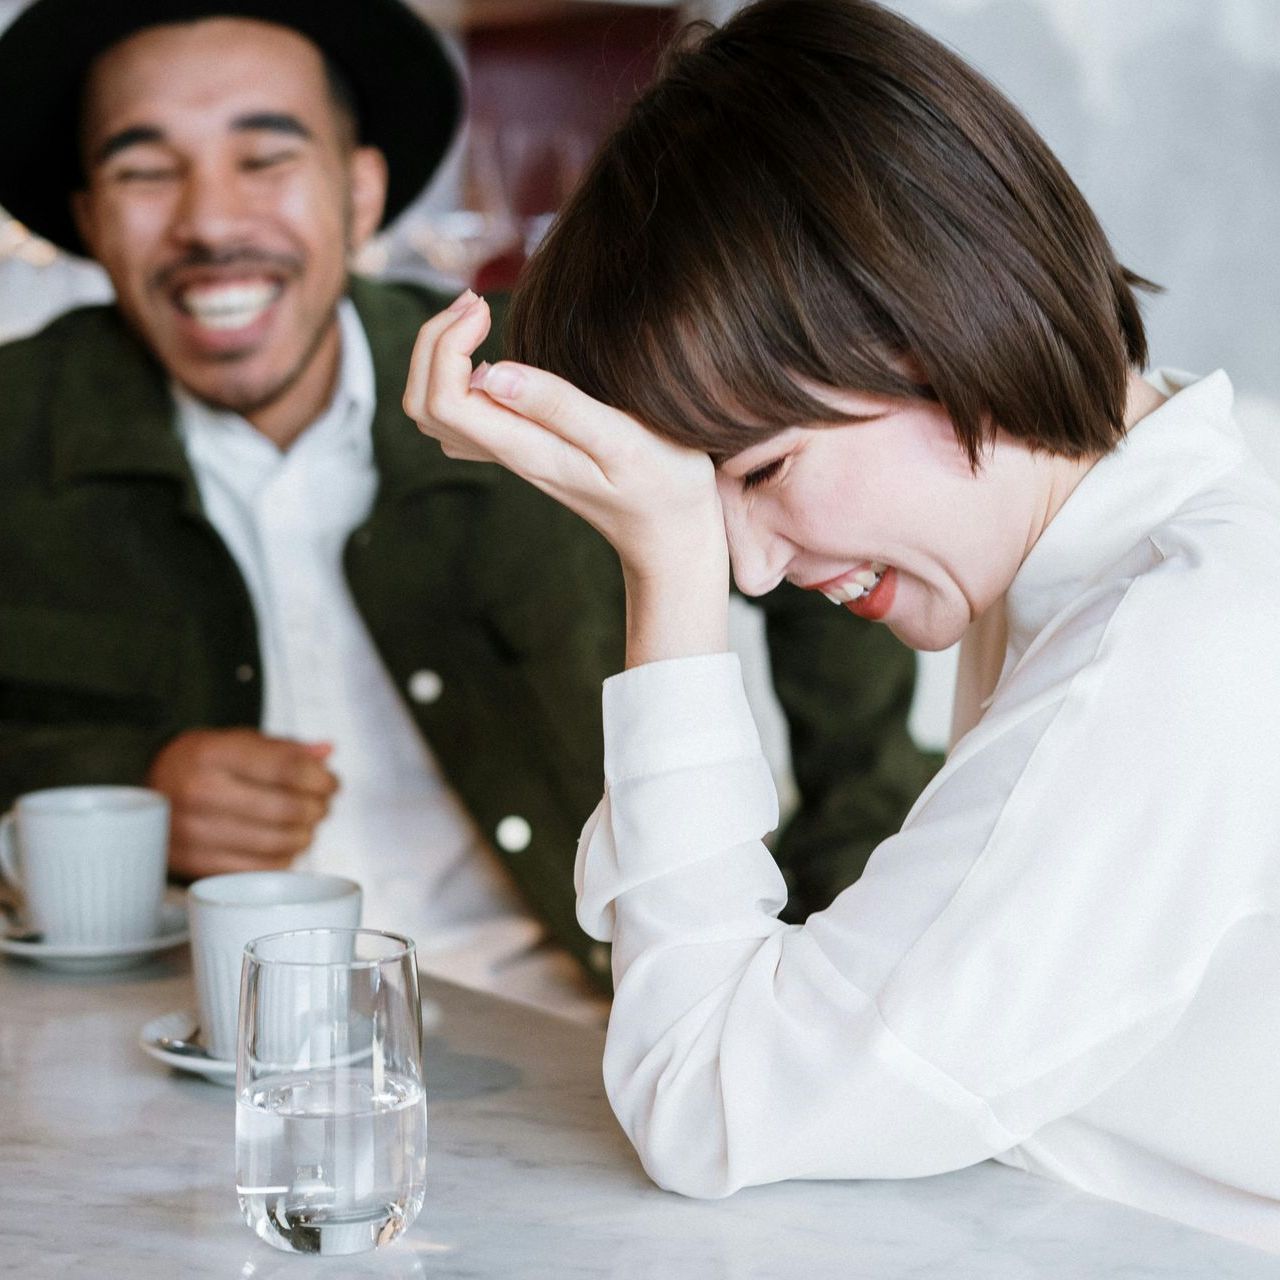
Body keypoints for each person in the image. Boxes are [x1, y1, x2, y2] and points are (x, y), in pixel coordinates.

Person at [405, 0, 1280, 1248]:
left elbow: (702, 1099)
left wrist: (665, 563)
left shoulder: (1170, 646)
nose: (749, 564)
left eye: (760, 470)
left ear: (937, 323)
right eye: (708, 504)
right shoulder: (1107, 559)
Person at [0, 0, 938, 1019]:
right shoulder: (15, 428)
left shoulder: (552, 386)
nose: (211, 222)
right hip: (169, 1052)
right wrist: (120, 794)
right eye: (144, 171)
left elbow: (822, 560)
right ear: (90, 215)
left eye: (264, 158)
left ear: (361, 193)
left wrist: (829, 925)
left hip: (580, 1040)